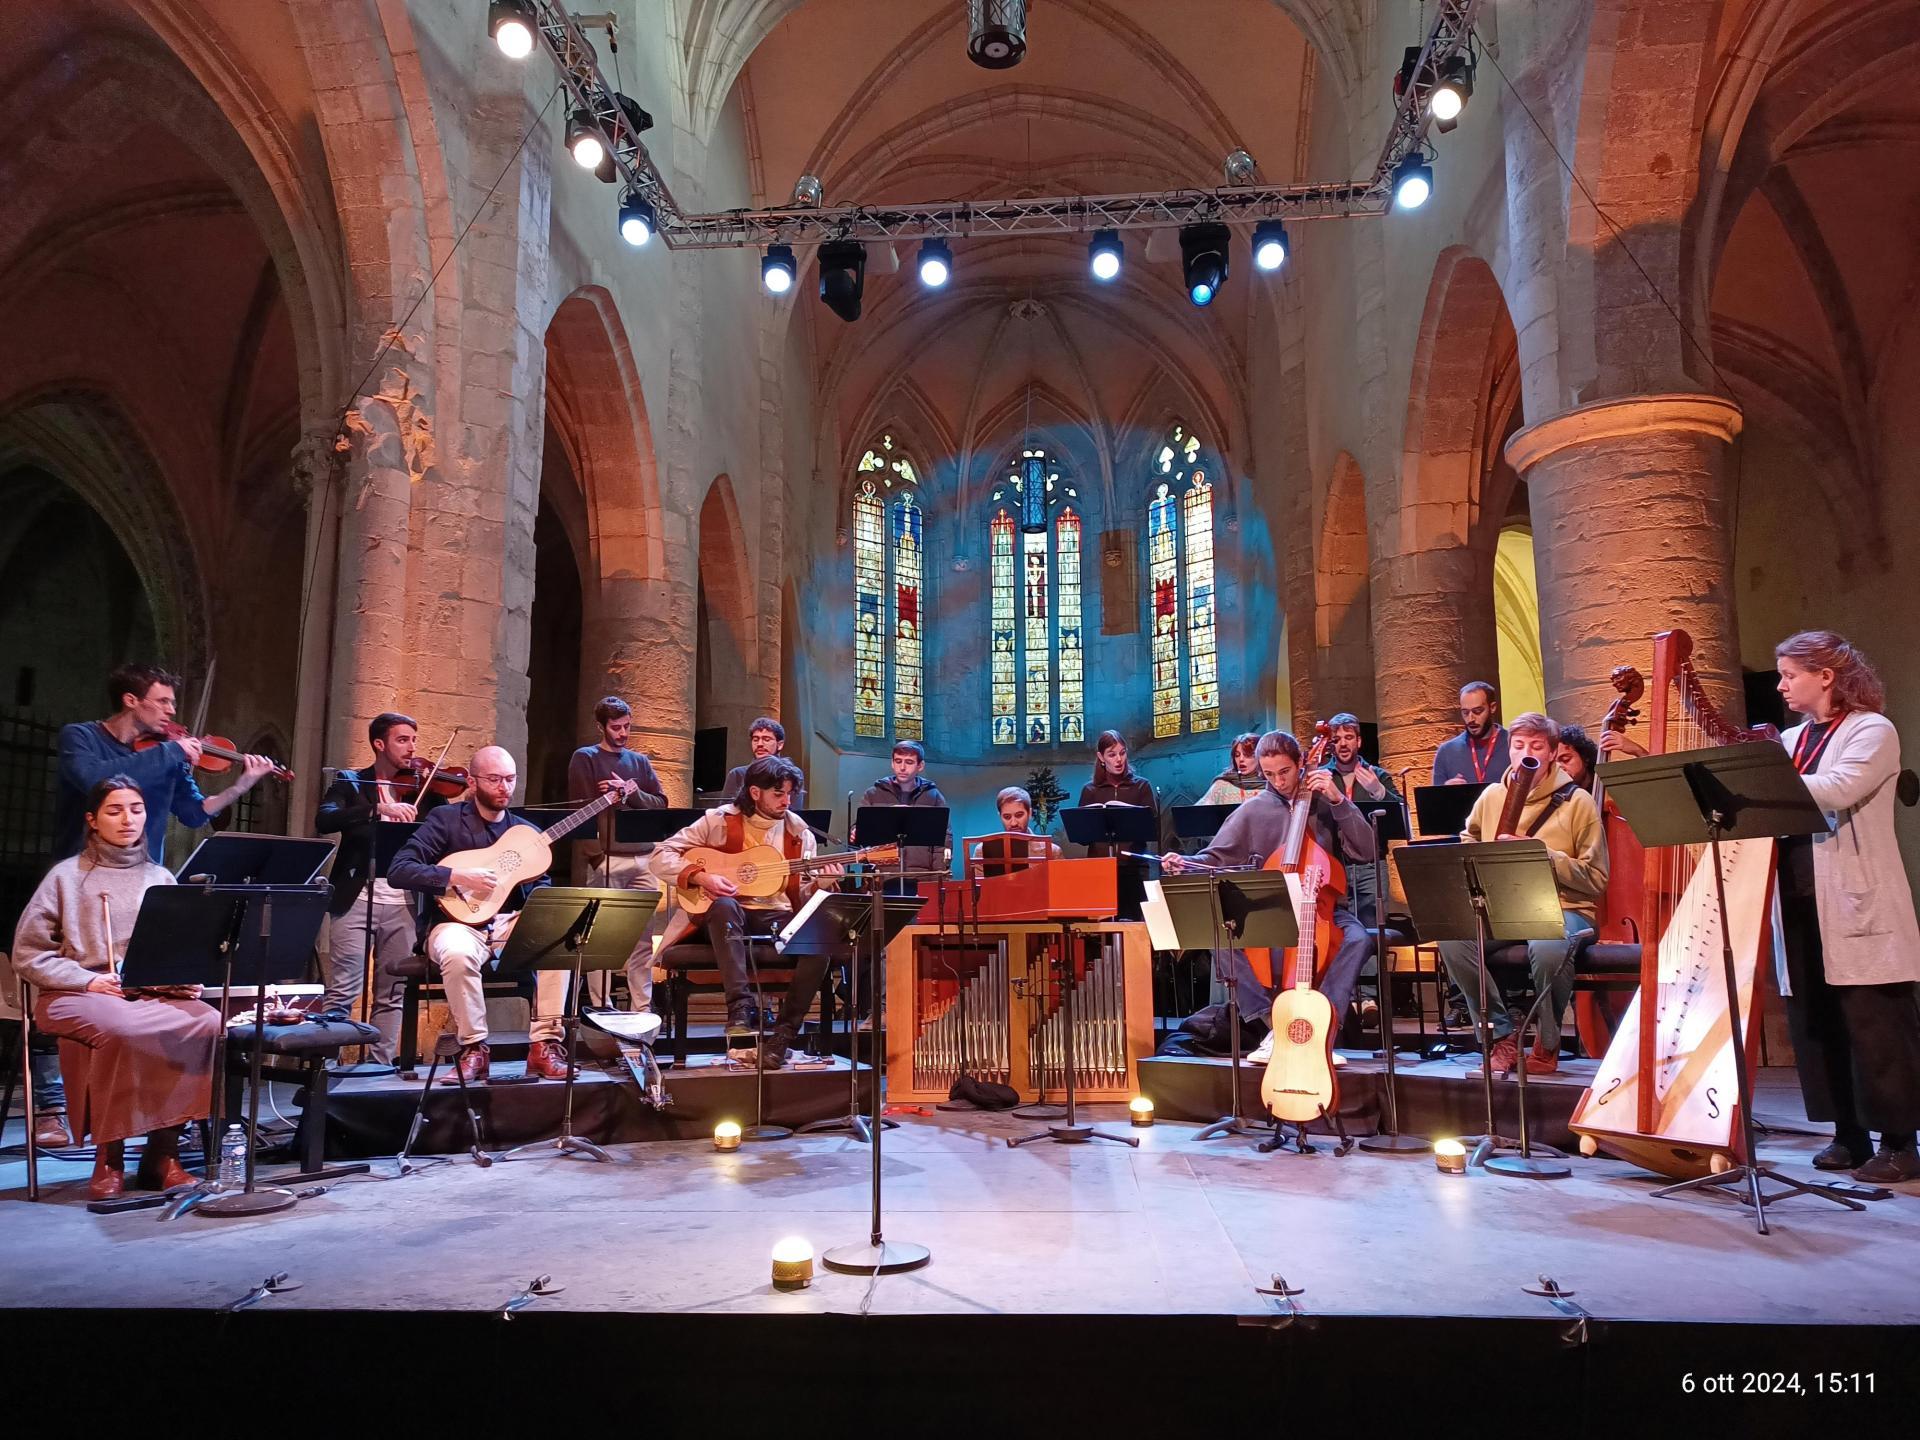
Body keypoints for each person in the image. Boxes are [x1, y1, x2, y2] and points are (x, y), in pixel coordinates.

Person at [11, 776, 223, 1199]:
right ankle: (109, 1154)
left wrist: (181, 978)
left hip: (145, 992)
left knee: (206, 1022)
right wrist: (87, 979)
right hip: (74, 994)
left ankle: (163, 1153)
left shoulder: (159, 875)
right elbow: (28, 953)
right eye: (114, 810)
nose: (128, 819)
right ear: (92, 820)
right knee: (123, 1029)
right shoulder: (66, 877)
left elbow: (175, 946)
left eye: (137, 809)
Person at [1770, 631, 1920, 1183]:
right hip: (1797, 897)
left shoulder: (1871, 730)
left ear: (1826, 676)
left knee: (1876, 1024)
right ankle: (1847, 1134)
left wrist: (1760, 781)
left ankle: (1901, 1143)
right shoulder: (1788, 739)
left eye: (1790, 674)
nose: (1781, 685)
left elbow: (1837, 787)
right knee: (1818, 1022)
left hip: (1855, 897)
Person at [1162, 731, 1376, 1060]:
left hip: (1324, 907)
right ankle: (1270, 1022)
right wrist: (1185, 863)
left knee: (1358, 938)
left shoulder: (1324, 801)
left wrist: (1338, 801)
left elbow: (1365, 851)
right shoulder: (1253, 810)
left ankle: (1322, 1025)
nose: (1278, 781)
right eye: (1269, 774)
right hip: (1271, 907)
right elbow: (1217, 857)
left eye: (1285, 772)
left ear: (1301, 763)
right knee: (1222, 937)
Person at [387, 746, 594, 1085]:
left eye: (510, 779)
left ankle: (544, 1045)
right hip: (453, 923)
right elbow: (400, 870)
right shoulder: (446, 820)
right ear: (473, 781)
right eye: (495, 779)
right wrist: (456, 877)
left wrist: (542, 905)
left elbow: (538, 887)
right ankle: (474, 1050)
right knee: (457, 952)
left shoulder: (524, 832)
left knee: (562, 941)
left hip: (508, 924)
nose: (504, 787)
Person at [1435, 712, 1607, 1077]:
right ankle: (1501, 1034)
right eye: (1518, 746)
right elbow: (1468, 841)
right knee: (1453, 940)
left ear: (1551, 752)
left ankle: (1547, 1042)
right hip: (1506, 908)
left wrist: (1543, 855)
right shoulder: (1493, 795)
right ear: (1510, 751)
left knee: (1547, 948)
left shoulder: (1578, 802)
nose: (1525, 752)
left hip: (1565, 908)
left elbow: (1596, 879)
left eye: (1536, 746)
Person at [651, 756, 838, 1068]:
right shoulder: (718, 821)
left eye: (790, 794)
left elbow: (801, 893)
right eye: (778, 794)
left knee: (819, 942)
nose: (786, 801)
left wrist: (823, 883)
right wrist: (700, 876)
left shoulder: (799, 832)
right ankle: (740, 1007)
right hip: (725, 914)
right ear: (754, 792)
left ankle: (783, 1035)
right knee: (725, 906)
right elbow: (661, 854)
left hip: (777, 915)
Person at [314, 712, 445, 1062]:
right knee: (343, 989)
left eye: (413, 740)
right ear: (379, 744)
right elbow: (325, 818)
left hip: (403, 900)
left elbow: (446, 830)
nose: (411, 748)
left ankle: (379, 1068)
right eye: (403, 740)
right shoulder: (352, 782)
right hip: (356, 896)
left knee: (392, 992)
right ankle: (325, 1070)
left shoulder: (425, 790)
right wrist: (377, 808)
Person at [54, 661, 276, 863]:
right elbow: (91, 779)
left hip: (142, 872)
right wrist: (170, 751)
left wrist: (238, 788)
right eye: (163, 702)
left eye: (172, 703)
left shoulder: (168, 752)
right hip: (83, 870)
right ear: (131, 700)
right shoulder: (80, 736)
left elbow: (194, 813)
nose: (171, 710)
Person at [566, 697, 668, 1006]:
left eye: (626, 726)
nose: (623, 733)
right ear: (601, 726)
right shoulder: (585, 757)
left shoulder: (639, 762)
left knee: (642, 939)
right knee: (601, 936)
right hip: (608, 859)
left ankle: (641, 1007)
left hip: (643, 857)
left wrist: (632, 792)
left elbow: (661, 804)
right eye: (616, 728)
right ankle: (601, 1004)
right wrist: (596, 856)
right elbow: (579, 813)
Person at [1321, 712, 1403, 927]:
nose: (1343, 745)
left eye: (1348, 737)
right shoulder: (1322, 778)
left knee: (1372, 938)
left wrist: (1379, 792)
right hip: (1333, 867)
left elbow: (1402, 815)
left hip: (1371, 869)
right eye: (1336, 740)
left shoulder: (1377, 775)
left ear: (1358, 740)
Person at [857, 740, 949, 880]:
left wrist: (938, 877)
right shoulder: (873, 794)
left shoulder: (934, 796)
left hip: (921, 875)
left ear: (920, 765)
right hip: (882, 876)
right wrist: (855, 832)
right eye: (898, 761)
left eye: (909, 762)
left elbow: (943, 840)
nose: (903, 767)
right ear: (892, 763)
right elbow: (861, 835)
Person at [1431, 681, 1509, 787]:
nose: (1470, 719)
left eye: (1477, 711)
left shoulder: (1513, 745)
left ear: (1492, 708)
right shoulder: (1446, 752)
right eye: (1465, 712)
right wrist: (1445, 791)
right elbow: (1435, 801)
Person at [971, 786, 1061, 876]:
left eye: (1019, 815)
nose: (1013, 823)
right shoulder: (982, 851)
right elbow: (979, 889)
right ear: (1000, 817)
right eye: (1007, 817)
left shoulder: (1053, 851)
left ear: (1029, 813)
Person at [721, 717, 807, 809]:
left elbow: (794, 811)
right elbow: (726, 813)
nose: (760, 744)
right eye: (755, 739)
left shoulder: (791, 774)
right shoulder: (737, 774)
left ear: (780, 745)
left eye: (766, 739)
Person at [1197, 733, 1264, 807]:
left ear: (1260, 757)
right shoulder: (1222, 785)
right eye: (1237, 755)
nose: (1241, 759)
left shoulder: (1271, 785)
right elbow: (1197, 812)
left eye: (1247, 755)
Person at [1554, 723, 1600, 793]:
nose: (1559, 768)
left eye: (1565, 759)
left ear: (1584, 757)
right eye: (1553, 765)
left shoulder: (1605, 785)